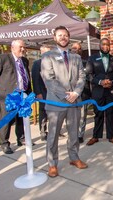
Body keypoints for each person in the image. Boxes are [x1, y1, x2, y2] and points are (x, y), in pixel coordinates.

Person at [41, 26, 87, 178]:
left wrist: (76, 93)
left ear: (69, 37)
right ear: (55, 38)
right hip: (56, 103)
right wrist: (66, 95)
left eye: (65, 35)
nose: (63, 37)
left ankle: (74, 158)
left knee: (73, 131)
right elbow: (49, 80)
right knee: (53, 135)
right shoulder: (47, 56)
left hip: (74, 102)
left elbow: (82, 77)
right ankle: (52, 164)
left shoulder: (77, 57)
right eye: (60, 35)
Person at [0, 39, 32, 154]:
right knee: (6, 119)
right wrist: (2, 89)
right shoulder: (3, 58)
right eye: (20, 47)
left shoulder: (25, 60)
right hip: (8, 96)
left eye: (24, 47)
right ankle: (4, 143)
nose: (23, 49)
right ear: (12, 48)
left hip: (21, 95)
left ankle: (21, 138)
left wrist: (28, 91)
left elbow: (26, 76)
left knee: (21, 118)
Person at [86, 38, 113, 146]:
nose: (106, 46)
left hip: (111, 91)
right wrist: (100, 82)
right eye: (104, 44)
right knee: (98, 113)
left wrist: (112, 82)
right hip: (98, 91)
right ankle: (95, 136)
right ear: (100, 45)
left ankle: (111, 136)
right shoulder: (92, 58)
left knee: (111, 113)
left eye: (108, 44)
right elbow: (88, 75)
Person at [70, 42, 91, 144]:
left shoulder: (86, 62)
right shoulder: (65, 62)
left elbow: (89, 77)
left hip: (83, 94)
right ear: (71, 50)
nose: (76, 50)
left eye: (79, 49)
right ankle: (72, 134)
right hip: (69, 94)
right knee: (71, 117)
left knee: (82, 116)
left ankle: (80, 135)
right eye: (74, 48)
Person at [31, 44, 52, 141]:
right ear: (42, 53)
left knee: (53, 112)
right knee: (43, 112)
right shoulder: (37, 63)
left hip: (53, 93)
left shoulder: (53, 62)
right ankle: (43, 132)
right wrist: (38, 93)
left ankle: (54, 131)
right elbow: (35, 80)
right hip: (42, 93)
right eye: (46, 52)